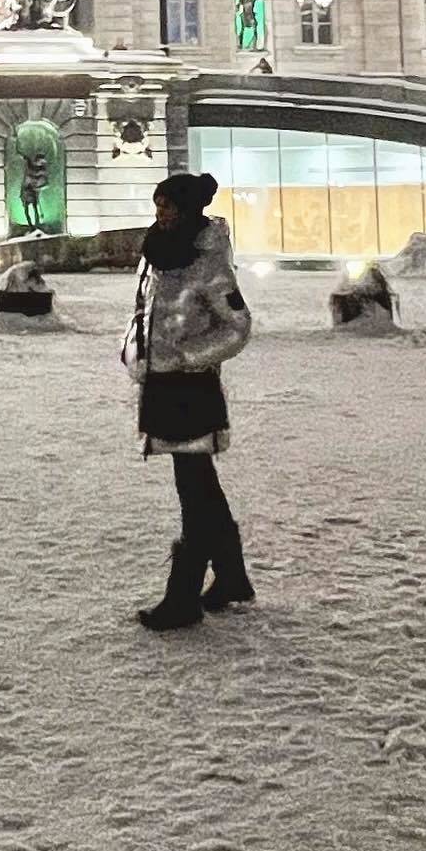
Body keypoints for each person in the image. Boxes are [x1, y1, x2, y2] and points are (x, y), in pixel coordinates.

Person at [122, 170, 254, 630]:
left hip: (190, 387)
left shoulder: (209, 265)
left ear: (189, 210)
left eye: (169, 207)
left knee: (193, 489)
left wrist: (187, 356)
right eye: (158, 204)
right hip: (160, 383)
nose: (160, 214)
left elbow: (237, 327)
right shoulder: (157, 254)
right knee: (198, 482)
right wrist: (133, 350)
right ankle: (232, 577)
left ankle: (183, 595)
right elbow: (146, 313)